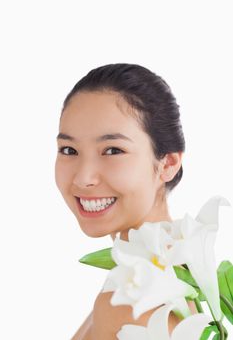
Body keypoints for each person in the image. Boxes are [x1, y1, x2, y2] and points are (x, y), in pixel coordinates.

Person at [55, 63, 197, 339]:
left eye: (112, 150)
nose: (83, 178)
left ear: (168, 163)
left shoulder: (134, 301)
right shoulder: (146, 276)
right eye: (69, 149)